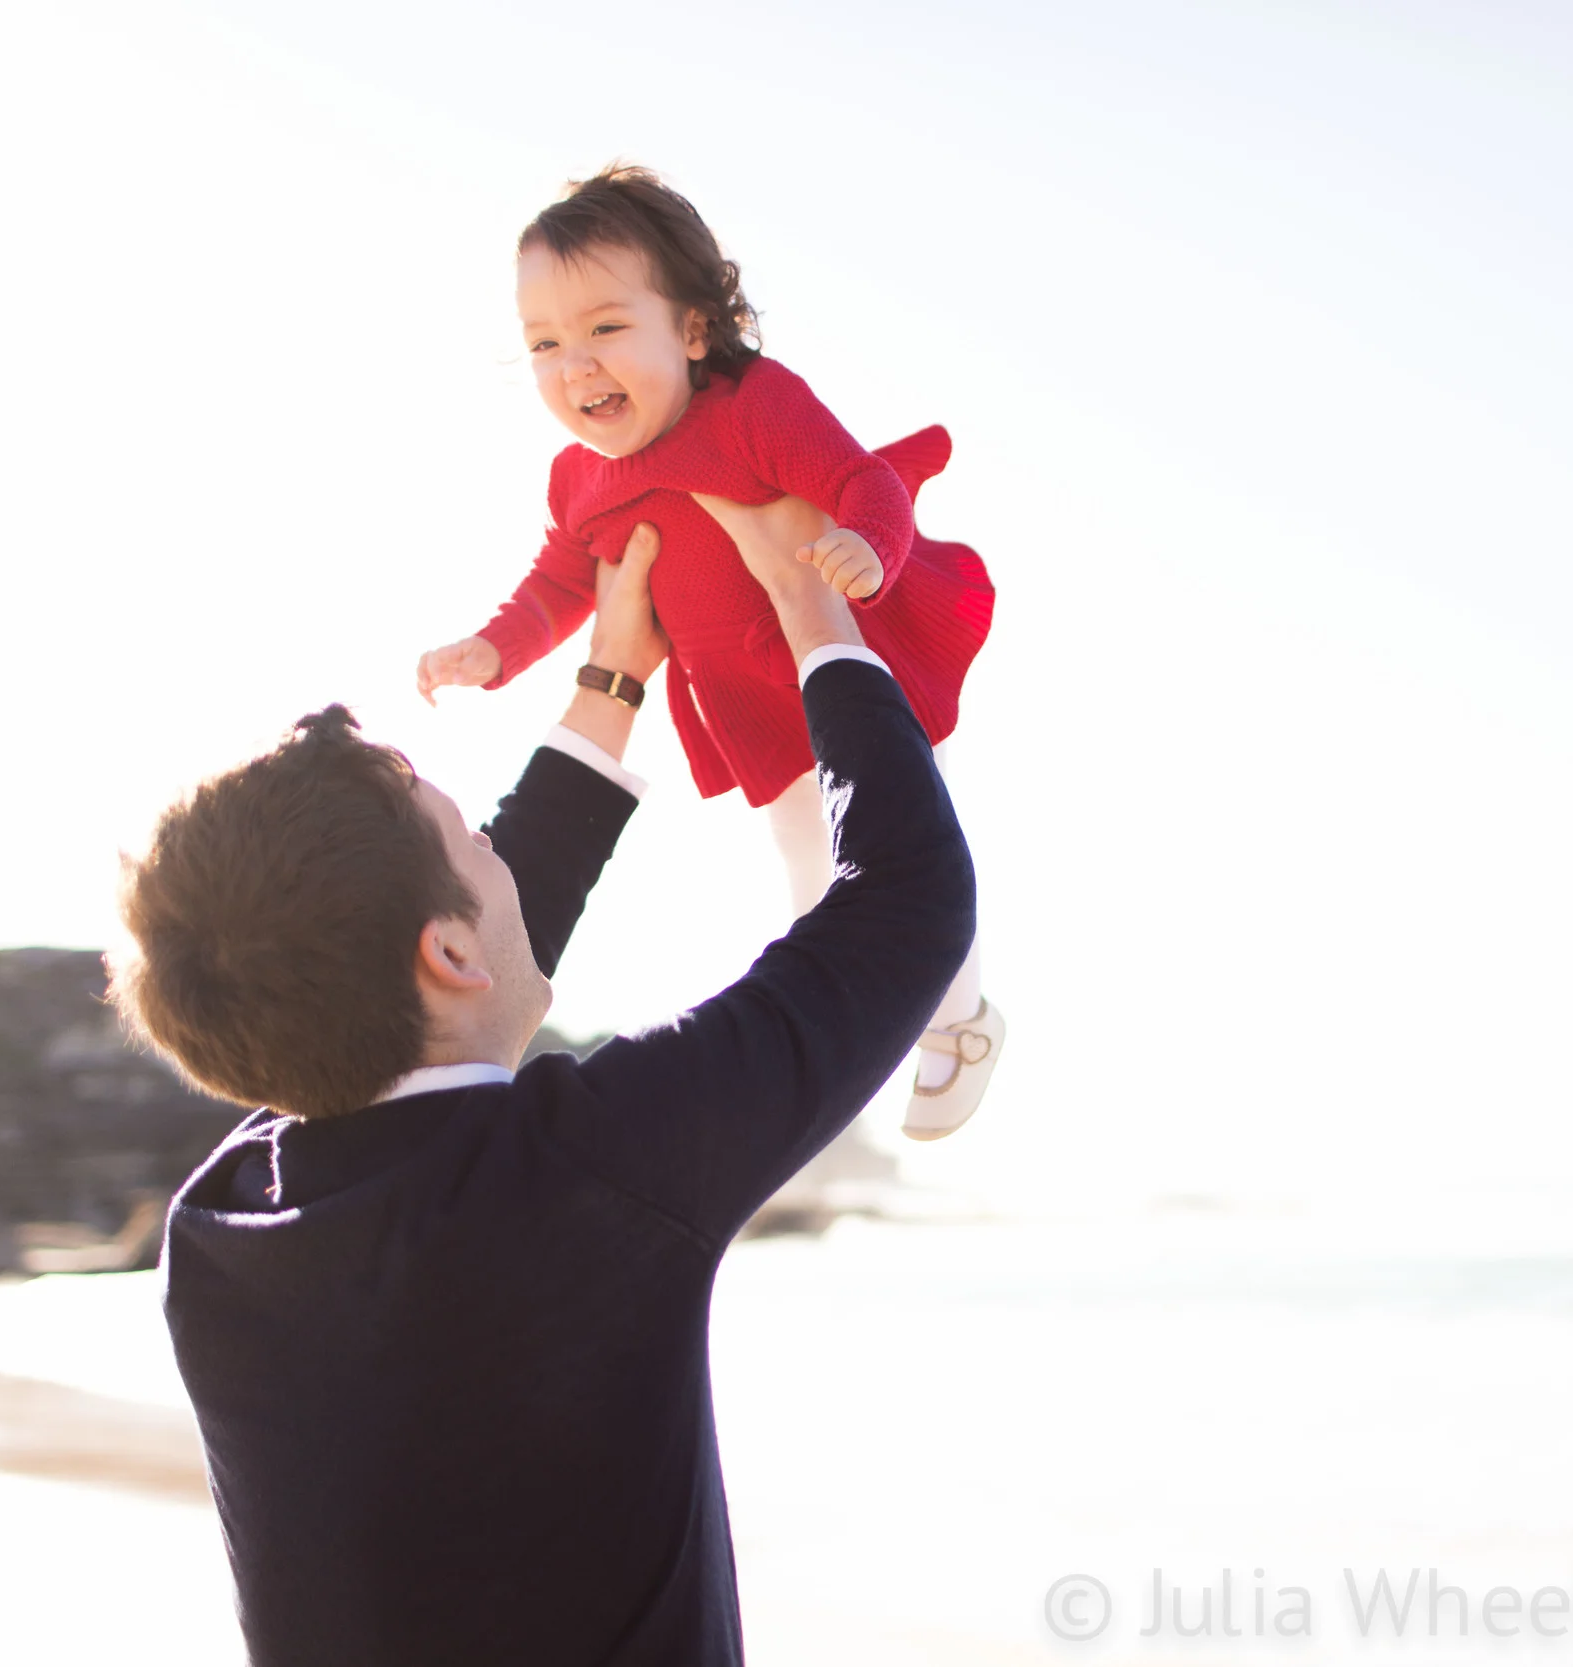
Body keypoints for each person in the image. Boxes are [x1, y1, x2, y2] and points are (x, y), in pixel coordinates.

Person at [114, 495, 975, 1665]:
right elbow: (905, 906)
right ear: (448, 950)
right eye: (474, 840)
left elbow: (428, 978)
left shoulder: (226, 1223)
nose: (496, 855)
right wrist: (814, 615)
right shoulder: (589, 1171)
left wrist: (612, 678)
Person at [413, 164, 1003, 1137]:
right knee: (810, 871)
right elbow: (561, 582)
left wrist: (867, 546)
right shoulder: (579, 479)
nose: (575, 365)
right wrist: (493, 648)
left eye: (606, 328)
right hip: (747, 698)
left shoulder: (753, 408)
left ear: (692, 330)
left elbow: (863, 483)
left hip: (842, 661)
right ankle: (858, 1027)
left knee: (902, 840)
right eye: (545, 342)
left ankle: (962, 1019)